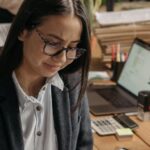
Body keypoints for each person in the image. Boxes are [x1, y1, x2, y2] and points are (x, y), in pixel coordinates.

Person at [0, 0, 93, 150]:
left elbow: (83, 145)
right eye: (52, 43)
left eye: (72, 47)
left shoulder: (72, 80)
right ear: (23, 30)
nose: (62, 59)